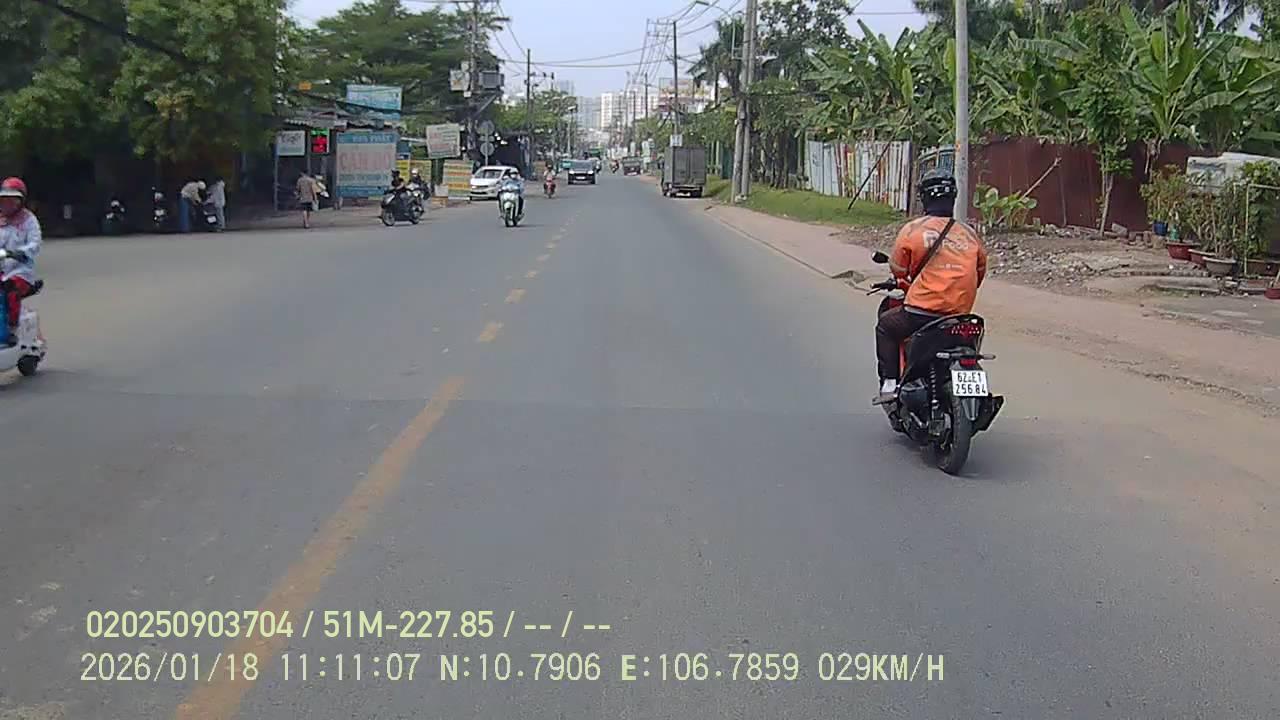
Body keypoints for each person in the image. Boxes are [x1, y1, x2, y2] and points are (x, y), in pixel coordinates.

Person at [875, 169, 988, 401]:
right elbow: (980, 271)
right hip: (960, 315)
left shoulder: (913, 230)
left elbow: (899, 269)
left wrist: (905, 279)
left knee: (886, 327)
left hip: (922, 313)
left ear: (924, 197)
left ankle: (890, 383)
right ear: (953, 196)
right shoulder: (969, 233)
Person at [0, 177, 41, 346]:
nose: (8, 204)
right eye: (4, 199)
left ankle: (11, 329)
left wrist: (20, 252)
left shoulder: (28, 220)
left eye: (13, 200)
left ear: (21, 201)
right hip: (2, 270)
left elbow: (35, 243)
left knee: (9, 289)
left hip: (21, 272)